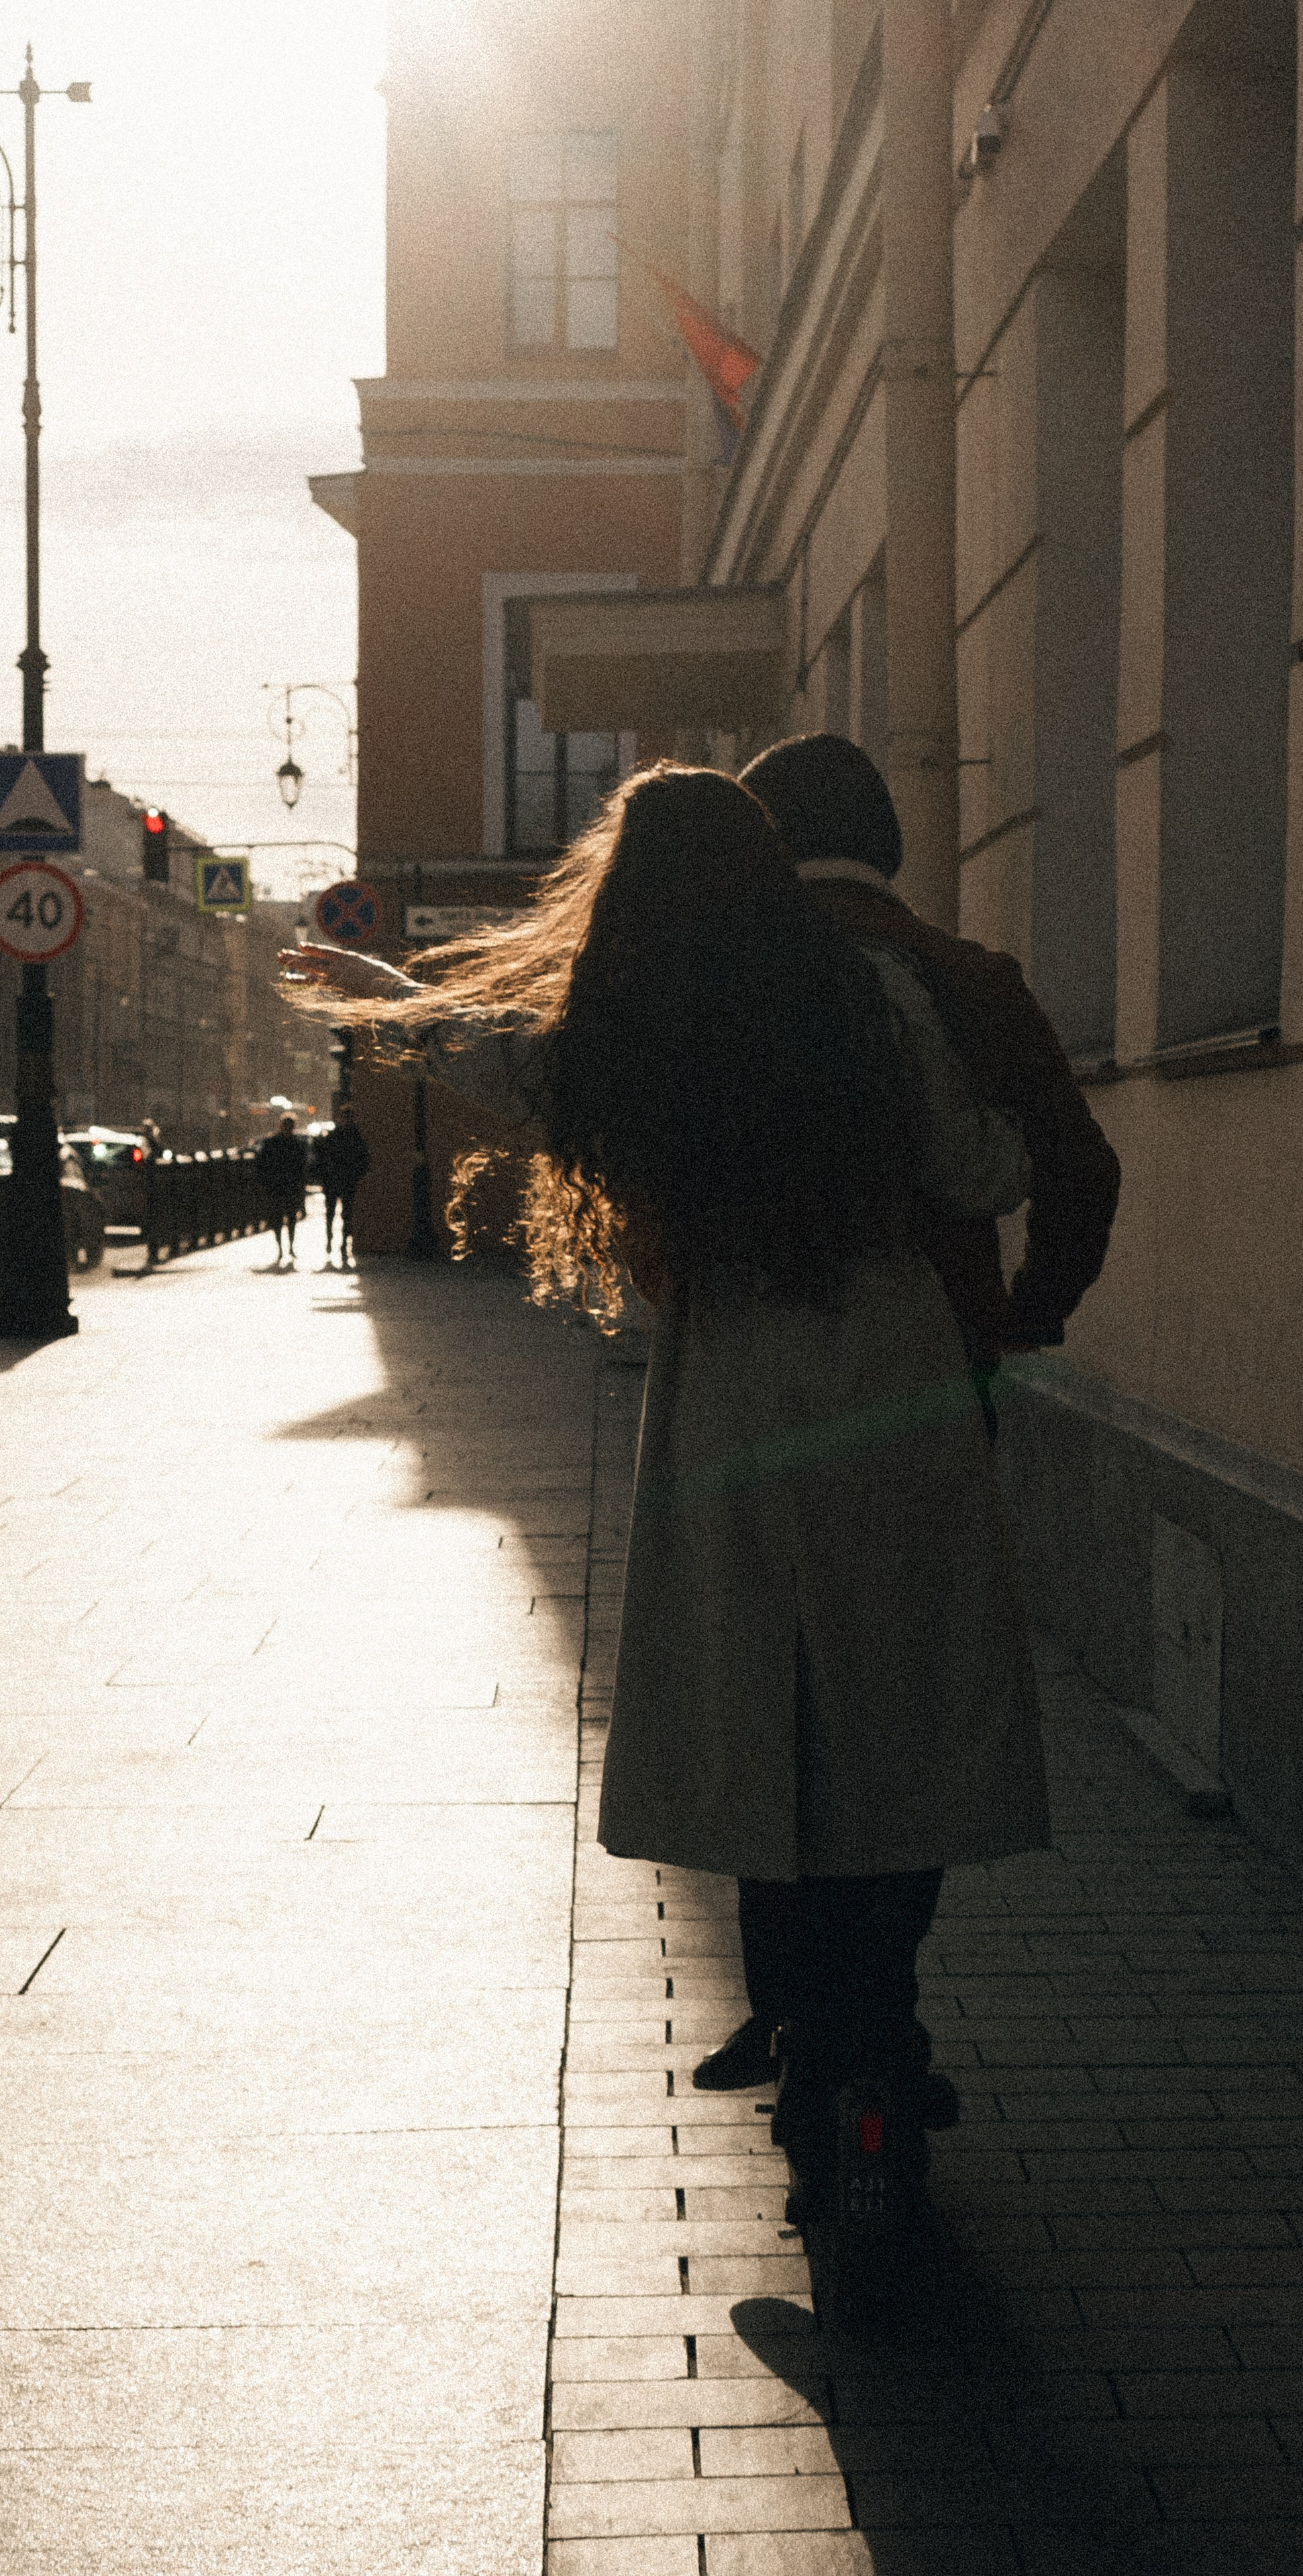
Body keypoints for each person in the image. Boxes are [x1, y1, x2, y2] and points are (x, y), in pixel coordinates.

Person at [280, 765, 1049, 2303]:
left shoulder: (638, 1040)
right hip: (893, 1392)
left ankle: (814, 2074)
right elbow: (987, 1168)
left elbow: (498, 1057)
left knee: (768, 1733)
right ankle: (880, 2034)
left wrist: (378, 987)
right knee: (893, 1723)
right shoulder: (874, 998)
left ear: (635, 897)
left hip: (733, 1414)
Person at [682, 733, 1122, 2099]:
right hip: (926, 1399)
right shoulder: (969, 981)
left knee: (768, 1693)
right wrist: (1023, 1312)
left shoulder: (721, 985)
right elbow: (1078, 1170)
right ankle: (882, 2004)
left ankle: (784, 2001)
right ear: (889, 844)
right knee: (907, 1703)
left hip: (743, 1408)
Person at [313, 1102, 370, 1267]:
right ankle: (337, 1243)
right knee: (337, 1214)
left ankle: (340, 1244)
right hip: (340, 1181)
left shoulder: (334, 1136)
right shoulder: (352, 1137)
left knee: (341, 1215)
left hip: (339, 1181)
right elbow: (364, 1160)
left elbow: (322, 1159)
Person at [254, 1113, 308, 1267]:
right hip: (282, 1188)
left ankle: (286, 1248)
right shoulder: (296, 1144)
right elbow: (302, 1168)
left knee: (285, 1219)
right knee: (284, 1219)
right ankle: (284, 1248)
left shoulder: (273, 1143)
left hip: (281, 1188)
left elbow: (261, 1165)